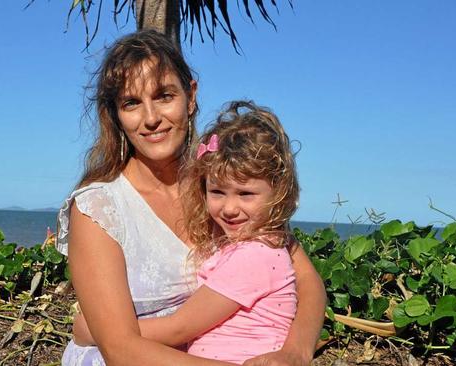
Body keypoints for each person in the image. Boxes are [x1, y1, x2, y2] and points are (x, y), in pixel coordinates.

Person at [56, 29, 326, 366]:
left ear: (191, 95)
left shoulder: (223, 187)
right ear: (116, 114)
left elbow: (305, 277)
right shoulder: (99, 210)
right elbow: (121, 350)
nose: (151, 118)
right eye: (132, 103)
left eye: (164, 96)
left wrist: (295, 352)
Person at [74, 101, 303, 365]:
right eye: (217, 192)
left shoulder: (254, 256)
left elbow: (179, 327)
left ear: (279, 194)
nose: (229, 208)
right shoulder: (252, 244)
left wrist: (97, 330)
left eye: (246, 194)